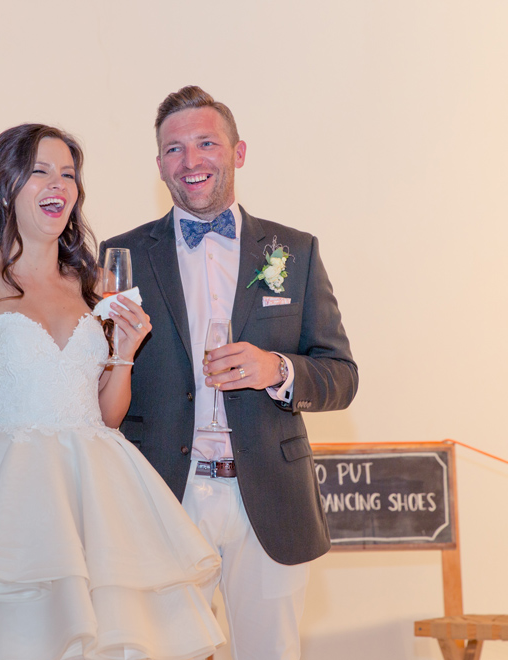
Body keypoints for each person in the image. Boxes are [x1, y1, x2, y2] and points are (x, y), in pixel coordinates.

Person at [0, 124, 225, 660]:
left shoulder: (90, 285)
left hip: (98, 494)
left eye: (68, 174)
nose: (58, 184)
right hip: (9, 493)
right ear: (4, 187)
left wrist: (124, 353)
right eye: (40, 171)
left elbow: (106, 417)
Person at [101, 85, 358, 660]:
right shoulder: (120, 255)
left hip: (268, 499)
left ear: (238, 152)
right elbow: (94, 380)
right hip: (161, 498)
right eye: (174, 149)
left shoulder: (295, 251)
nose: (190, 161)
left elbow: (341, 376)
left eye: (206, 143)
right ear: (159, 164)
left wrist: (276, 369)